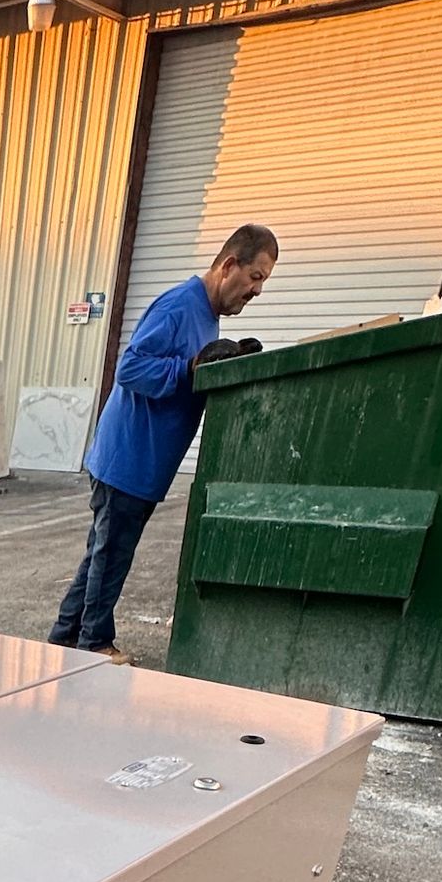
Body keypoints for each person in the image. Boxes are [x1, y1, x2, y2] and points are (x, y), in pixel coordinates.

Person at [50, 224, 278, 661]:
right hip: (128, 459)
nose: (257, 290)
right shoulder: (180, 306)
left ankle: (64, 638)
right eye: (256, 276)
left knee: (103, 553)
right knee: (110, 556)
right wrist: (189, 369)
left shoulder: (207, 316)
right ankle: (93, 643)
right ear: (229, 265)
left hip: (146, 465)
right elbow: (131, 368)